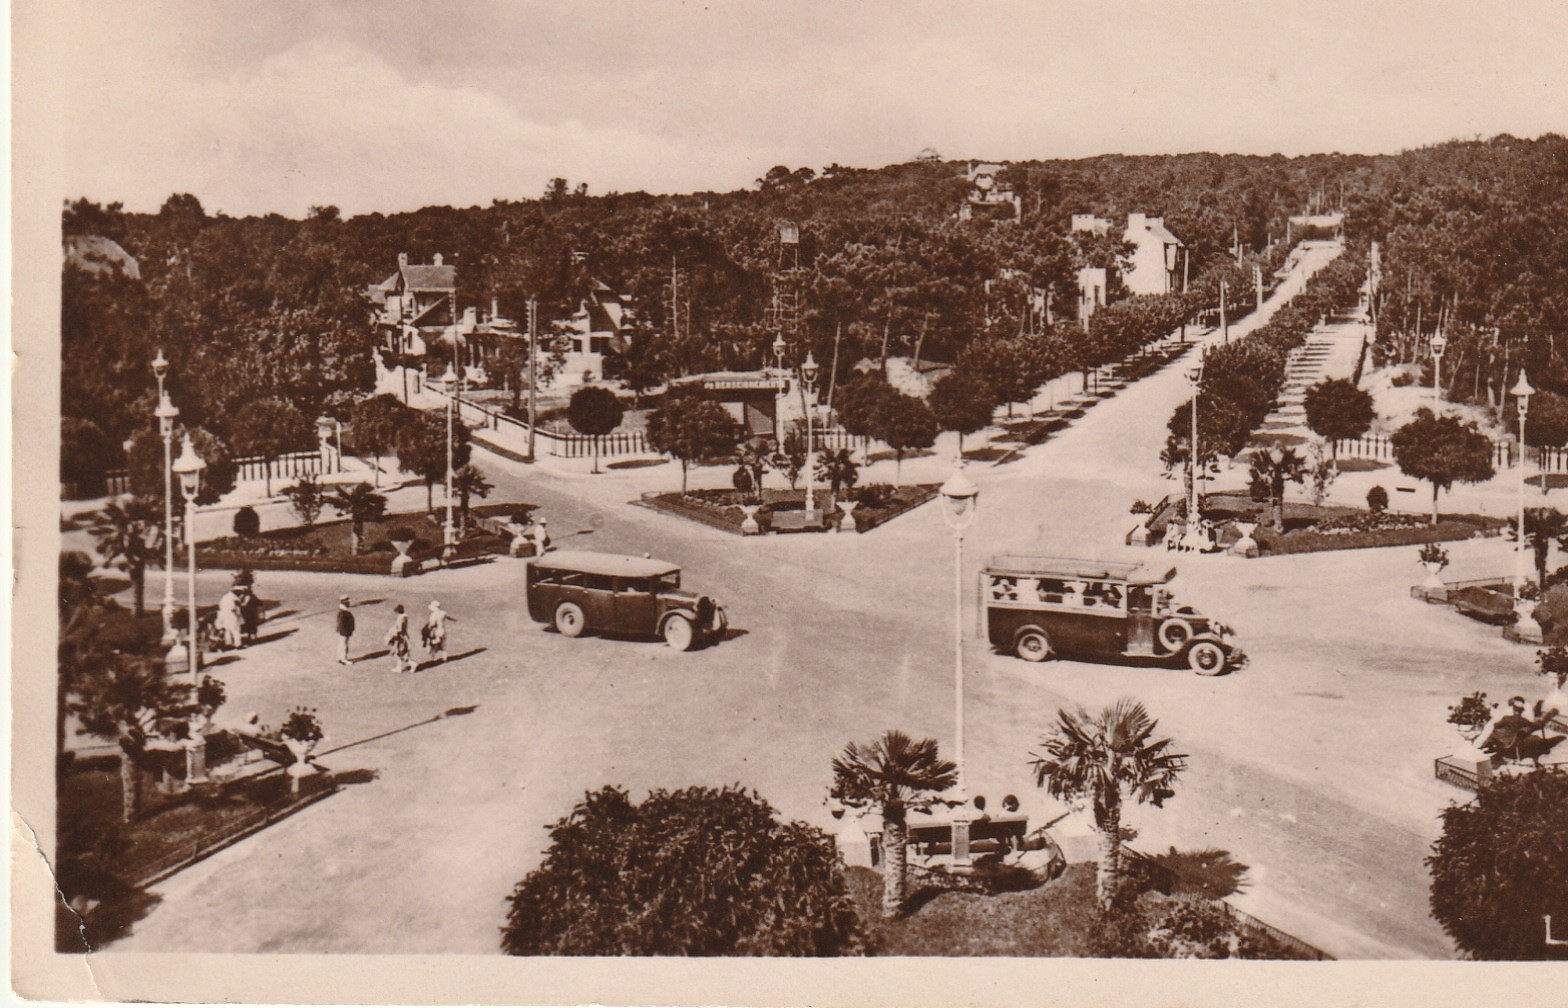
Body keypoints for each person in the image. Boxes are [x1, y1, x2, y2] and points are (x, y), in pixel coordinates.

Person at [1481, 695, 1564, 766]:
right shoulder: (1522, 720)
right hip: (1512, 743)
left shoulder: (1506, 718)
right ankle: (1549, 714)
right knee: (1528, 730)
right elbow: (1536, 726)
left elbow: (1496, 725)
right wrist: (1541, 723)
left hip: (1501, 742)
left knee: (1498, 733)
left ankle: (1485, 746)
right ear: (1521, 711)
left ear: (1513, 709)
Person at [423, 600, 455, 664]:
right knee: (442, 646)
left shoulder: (433, 615)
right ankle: (445, 658)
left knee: (432, 645)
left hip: (436, 632)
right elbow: (449, 617)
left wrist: (427, 630)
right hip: (443, 631)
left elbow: (432, 624)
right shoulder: (443, 613)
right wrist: (454, 620)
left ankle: (433, 659)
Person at [386, 604, 413, 673]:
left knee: (399, 653)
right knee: (399, 653)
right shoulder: (405, 616)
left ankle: (412, 664)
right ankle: (399, 667)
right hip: (403, 637)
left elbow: (400, 629)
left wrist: (394, 635)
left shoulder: (401, 618)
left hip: (400, 637)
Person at [335, 596, 356, 665]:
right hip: (344, 631)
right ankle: (344, 659)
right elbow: (342, 623)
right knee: (344, 644)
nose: (349, 603)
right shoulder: (344, 612)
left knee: (341, 644)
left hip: (342, 631)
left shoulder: (342, 611)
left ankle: (340, 657)